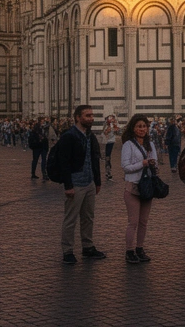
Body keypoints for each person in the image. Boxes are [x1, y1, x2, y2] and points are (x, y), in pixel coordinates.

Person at [54, 105, 105, 264]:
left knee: (88, 217)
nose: (91, 118)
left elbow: (94, 158)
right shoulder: (69, 136)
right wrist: (68, 185)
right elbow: (63, 162)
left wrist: (97, 181)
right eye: (87, 115)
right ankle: (67, 250)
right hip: (75, 184)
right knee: (71, 219)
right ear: (78, 117)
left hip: (89, 183)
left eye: (92, 115)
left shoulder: (90, 136)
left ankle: (87, 246)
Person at [120, 113, 159, 264]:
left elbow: (154, 161)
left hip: (147, 186)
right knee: (133, 221)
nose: (142, 129)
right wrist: (142, 163)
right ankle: (129, 250)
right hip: (133, 187)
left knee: (144, 221)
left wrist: (153, 164)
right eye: (139, 126)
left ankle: (140, 248)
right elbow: (125, 167)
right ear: (133, 128)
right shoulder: (128, 145)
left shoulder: (150, 144)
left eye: (144, 126)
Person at [102, 115, 119, 182]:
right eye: (112, 119)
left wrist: (115, 126)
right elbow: (105, 132)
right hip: (108, 142)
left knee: (108, 157)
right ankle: (108, 172)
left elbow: (117, 131)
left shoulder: (112, 125)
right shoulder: (108, 125)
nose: (113, 120)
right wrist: (110, 127)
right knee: (107, 157)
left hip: (111, 141)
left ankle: (108, 171)